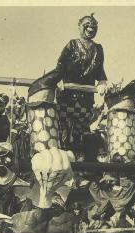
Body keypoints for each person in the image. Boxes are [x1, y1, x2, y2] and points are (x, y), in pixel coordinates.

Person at [28, 13, 108, 156]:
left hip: (86, 99)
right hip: (67, 96)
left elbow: (100, 70)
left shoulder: (98, 49)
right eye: (87, 25)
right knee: (63, 129)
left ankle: (81, 165)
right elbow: (61, 66)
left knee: (81, 131)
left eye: (93, 26)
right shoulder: (72, 45)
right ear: (80, 27)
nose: (91, 28)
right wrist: (58, 79)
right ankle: (63, 159)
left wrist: (102, 81)